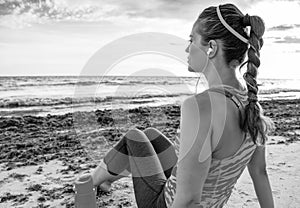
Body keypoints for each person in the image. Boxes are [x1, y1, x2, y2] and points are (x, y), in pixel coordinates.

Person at [89, 3, 274, 208]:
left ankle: (89, 183)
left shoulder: (200, 107)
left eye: (191, 40)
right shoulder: (252, 104)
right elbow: (260, 172)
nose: (187, 48)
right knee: (150, 135)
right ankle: (105, 181)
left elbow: (187, 201)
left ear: (211, 48)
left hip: (165, 204)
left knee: (133, 137)